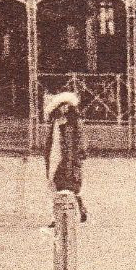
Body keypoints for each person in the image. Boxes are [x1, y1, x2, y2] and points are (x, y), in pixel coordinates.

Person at [43, 91, 87, 222]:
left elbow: (80, 140)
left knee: (71, 186)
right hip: (56, 156)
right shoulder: (57, 123)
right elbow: (51, 142)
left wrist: (79, 154)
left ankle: (79, 210)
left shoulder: (73, 123)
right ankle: (57, 216)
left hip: (68, 158)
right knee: (57, 185)